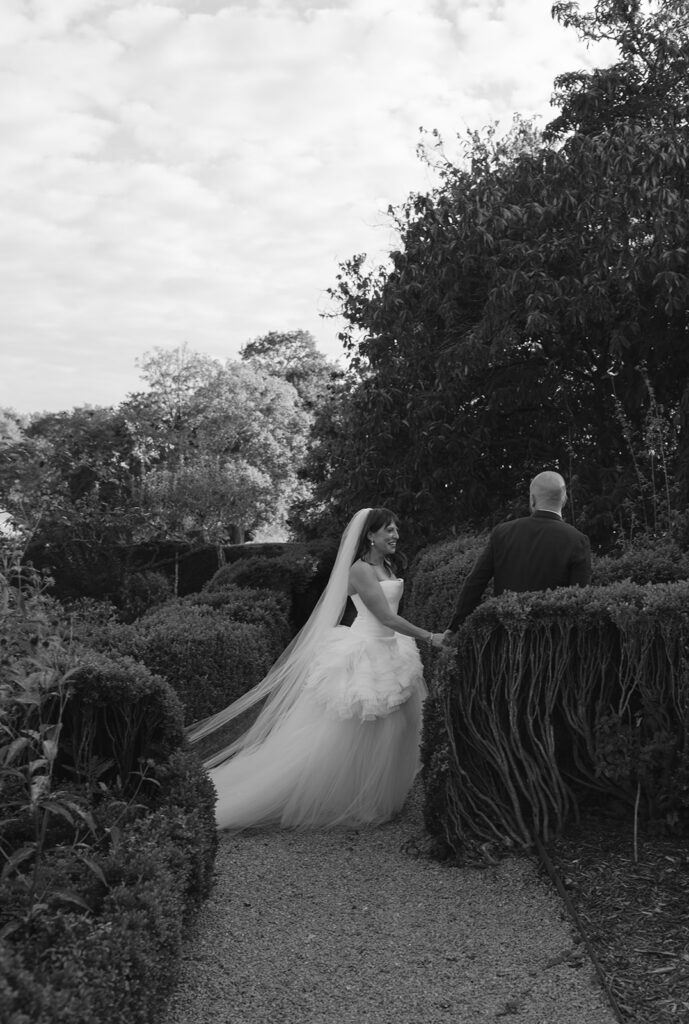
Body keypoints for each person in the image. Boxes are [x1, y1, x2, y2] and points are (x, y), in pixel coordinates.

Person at [187, 507, 449, 831]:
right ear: (370, 535)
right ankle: (343, 796)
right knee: (351, 731)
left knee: (393, 727)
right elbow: (385, 616)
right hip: (366, 650)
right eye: (389, 530)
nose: (396, 535)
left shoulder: (388, 565)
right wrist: (429, 636)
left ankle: (373, 794)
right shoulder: (361, 570)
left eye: (396, 530)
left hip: (392, 650)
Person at [447, 471, 592, 632]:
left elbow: (475, 583)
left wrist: (454, 628)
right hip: (553, 640)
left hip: (505, 634)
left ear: (532, 499)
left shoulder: (502, 532)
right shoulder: (578, 540)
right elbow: (579, 599)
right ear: (564, 499)